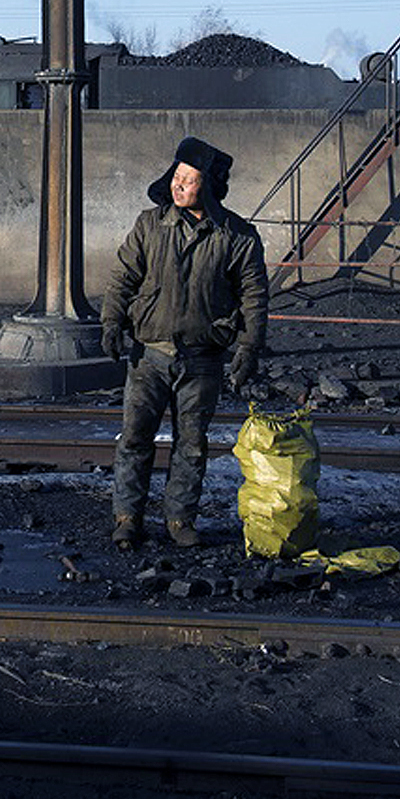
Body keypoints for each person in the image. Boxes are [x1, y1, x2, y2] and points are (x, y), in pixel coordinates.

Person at [100, 136, 268, 550]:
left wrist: (247, 350)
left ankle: (179, 521)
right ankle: (127, 519)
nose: (178, 186)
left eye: (189, 180)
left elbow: (254, 298)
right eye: (176, 177)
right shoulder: (149, 225)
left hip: (202, 358)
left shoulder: (238, 237)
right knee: (135, 439)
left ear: (206, 187)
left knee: (191, 446)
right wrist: (111, 322)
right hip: (149, 354)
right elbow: (123, 277)